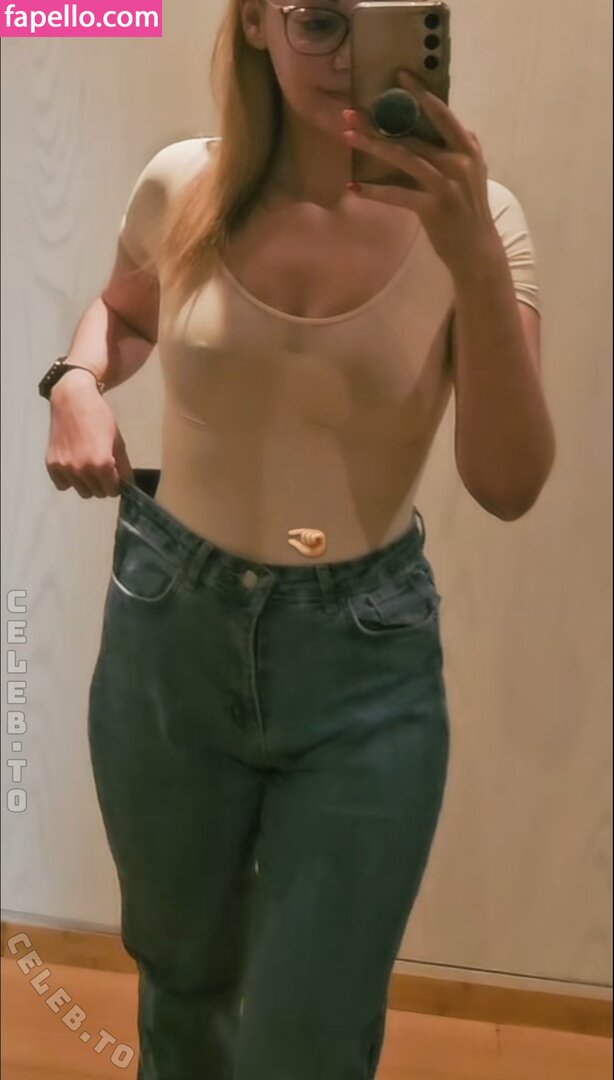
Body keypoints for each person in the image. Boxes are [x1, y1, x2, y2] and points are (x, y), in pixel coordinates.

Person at [43, 1, 554, 1076]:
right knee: (183, 991)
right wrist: (76, 380)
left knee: (307, 1037)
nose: (345, 56)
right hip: (169, 635)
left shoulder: (483, 221)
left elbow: (507, 483)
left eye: (382, 19)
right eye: (317, 19)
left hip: (362, 664)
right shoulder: (183, 183)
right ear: (254, 26)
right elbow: (125, 311)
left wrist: (468, 256)